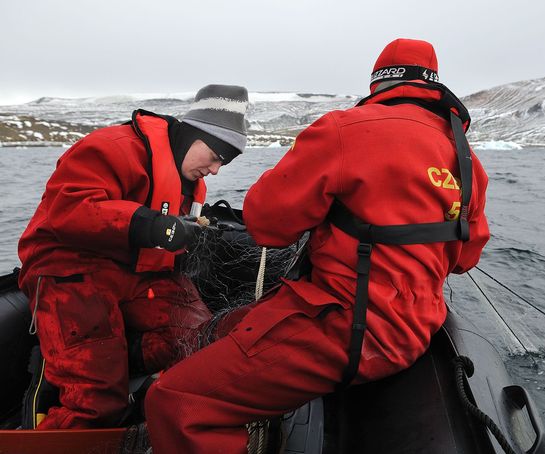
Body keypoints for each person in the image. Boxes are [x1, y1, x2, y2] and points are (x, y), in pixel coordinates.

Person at [145, 38, 490, 453]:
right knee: (230, 328)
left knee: (177, 401)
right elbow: (465, 258)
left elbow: (266, 224)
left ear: (378, 83)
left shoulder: (343, 130)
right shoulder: (468, 159)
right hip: (417, 327)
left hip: (347, 327)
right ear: (433, 84)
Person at [17, 84, 249, 429]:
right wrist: (158, 227)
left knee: (202, 339)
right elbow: (69, 211)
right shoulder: (111, 148)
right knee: (96, 400)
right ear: (194, 135)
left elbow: (169, 236)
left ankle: (109, 358)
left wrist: (195, 237)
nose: (216, 170)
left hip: (139, 271)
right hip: (69, 269)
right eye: (217, 156)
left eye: (225, 162)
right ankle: (70, 382)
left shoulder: (191, 180)